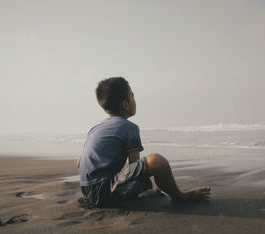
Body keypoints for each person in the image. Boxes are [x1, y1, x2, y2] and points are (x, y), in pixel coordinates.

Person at [77, 77, 210, 207]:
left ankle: (142, 192)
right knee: (156, 161)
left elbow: (80, 162)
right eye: (132, 95)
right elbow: (134, 164)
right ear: (125, 104)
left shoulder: (96, 128)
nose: (135, 100)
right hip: (105, 192)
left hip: (87, 190)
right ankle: (181, 196)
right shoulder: (129, 127)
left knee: (141, 173)